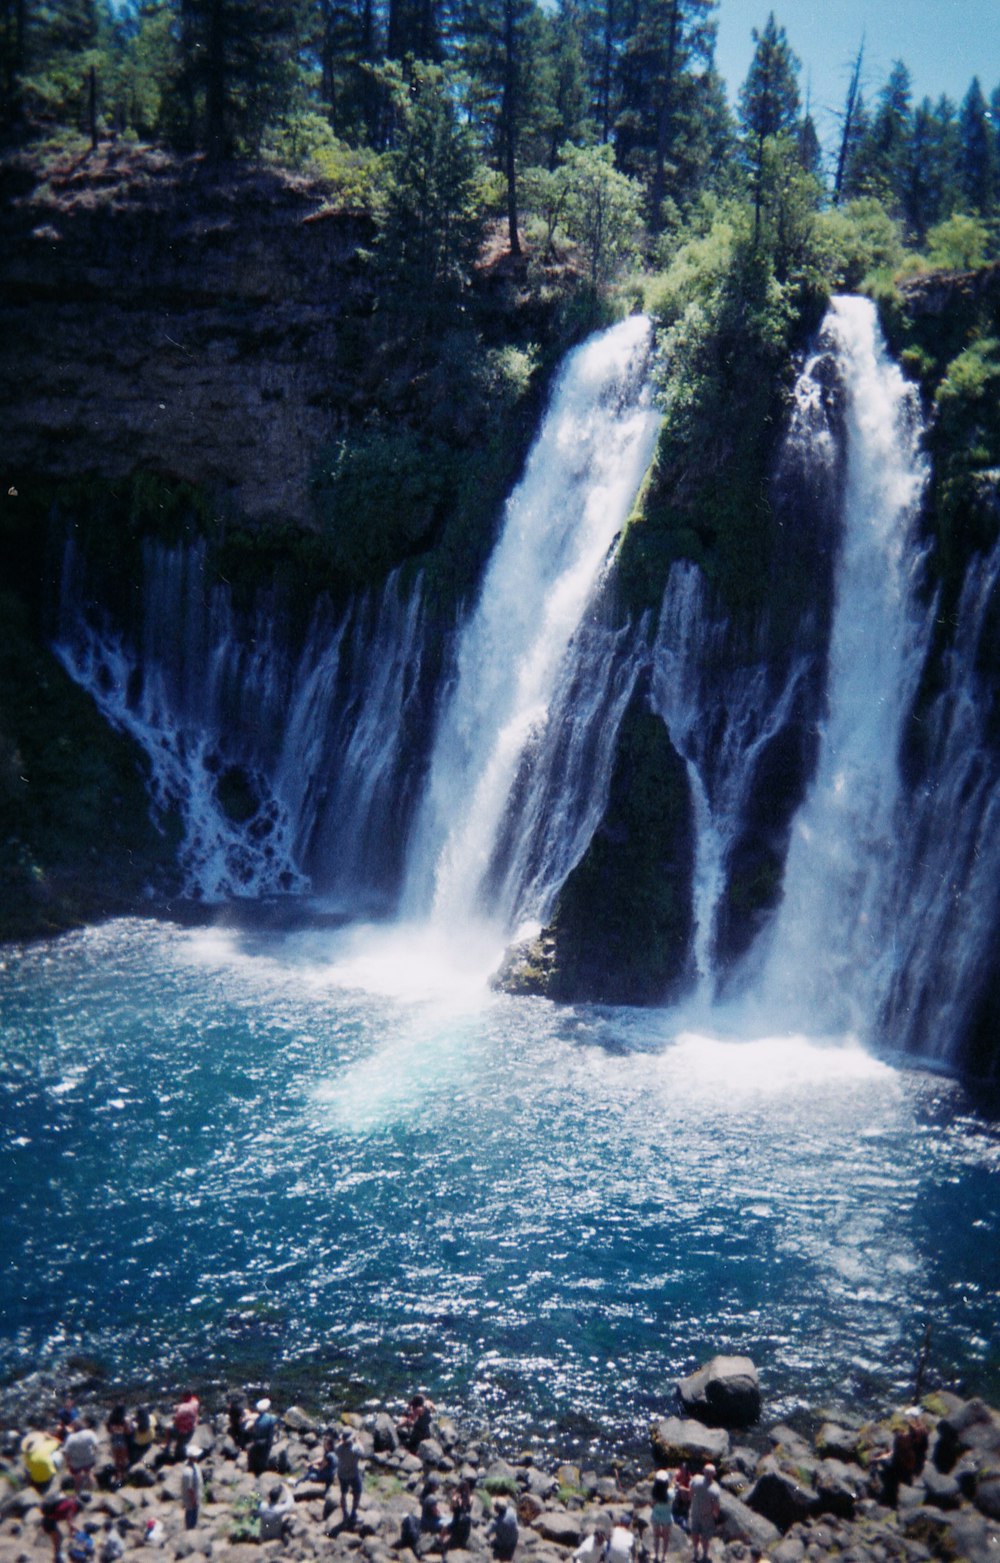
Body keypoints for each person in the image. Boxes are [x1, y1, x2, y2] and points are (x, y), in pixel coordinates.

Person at [877, 1407, 930, 1507]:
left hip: (902, 1469)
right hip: (911, 1466)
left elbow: (898, 1458)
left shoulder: (902, 1439)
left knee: (879, 1464)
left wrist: (886, 1457)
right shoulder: (922, 1434)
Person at [688, 1465, 721, 1563]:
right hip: (706, 1516)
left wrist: (693, 1500)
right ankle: (705, 1554)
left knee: (695, 1532)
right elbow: (715, 1507)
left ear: (703, 1471)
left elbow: (690, 1492)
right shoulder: (714, 1490)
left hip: (695, 1511)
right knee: (705, 1536)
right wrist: (716, 1516)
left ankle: (695, 1550)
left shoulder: (696, 1479)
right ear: (714, 1474)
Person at [40, 1491, 80, 1563]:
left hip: (48, 1517)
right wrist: (71, 1527)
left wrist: (71, 1527)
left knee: (59, 1537)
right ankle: (57, 1557)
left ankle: (57, 1555)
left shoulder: (68, 1501)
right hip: (50, 1521)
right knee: (59, 1538)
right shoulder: (71, 1508)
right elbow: (68, 1518)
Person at [336, 1427, 364, 1526]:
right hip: (353, 1474)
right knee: (357, 1493)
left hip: (342, 1474)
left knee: (343, 1493)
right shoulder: (355, 1449)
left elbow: (340, 1444)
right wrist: (357, 1440)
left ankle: (344, 1513)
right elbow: (362, 1451)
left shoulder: (338, 1449)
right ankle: (353, 1513)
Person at [63, 1423, 100, 1494]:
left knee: (77, 1479)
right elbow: (96, 1446)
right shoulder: (89, 1433)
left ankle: (78, 1495)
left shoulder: (70, 1438)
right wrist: (94, 1455)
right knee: (89, 1474)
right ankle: (93, 1492)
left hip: (76, 1462)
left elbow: (66, 1453)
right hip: (89, 1459)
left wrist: (67, 1464)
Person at [247, 1398, 277, 1477]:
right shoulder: (271, 1418)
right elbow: (271, 1433)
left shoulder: (257, 1420)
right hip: (266, 1443)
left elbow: (255, 1433)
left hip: (258, 1442)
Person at [166, 1393, 199, 1462]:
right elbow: (187, 1407)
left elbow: (176, 1422)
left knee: (168, 1428)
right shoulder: (195, 1402)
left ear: (183, 1397)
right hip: (192, 1428)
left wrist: (174, 1418)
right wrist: (178, 1406)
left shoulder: (181, 1410)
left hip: (183, 1432)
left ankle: (167, 1448)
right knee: (182, 1445)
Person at [444, 1480, 474, 1554]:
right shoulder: (470, 1498)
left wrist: (455, 1499)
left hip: (457, 1521)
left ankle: (441, 1542)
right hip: (466, 1522)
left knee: (446, 1527)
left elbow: (451, 1509)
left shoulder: (456, 1498)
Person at [106, 1406, 133, 1488]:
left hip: (114, 1441)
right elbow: (128, 1432)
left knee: (117, 1461)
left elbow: (109, 1431)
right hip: (123, 1441)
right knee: (124, 1460)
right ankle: (124, 1477)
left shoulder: (110, 1421)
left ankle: (118, 1477)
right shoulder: (124, 1421)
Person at [650, 1471, 673, 1562]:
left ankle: (656, 1555)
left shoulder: (654, 1492)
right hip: (667, 1517)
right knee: (666, 1537)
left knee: (656, 1536)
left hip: (656, 1516)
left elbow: (653, 1504)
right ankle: (664, 1556)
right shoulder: (671, 1493)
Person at [487, 1498, 518, 1562]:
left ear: (497, 1508)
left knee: (491, 1541)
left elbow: (486, 1532)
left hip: (504, 1543)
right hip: (514, 1540)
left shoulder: (495, 1522)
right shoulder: (512, 1511)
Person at [181, 1451, 203, 1530]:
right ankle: (190, 1530)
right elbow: (189, 1489)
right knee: (191, 1515)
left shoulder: (195, 1466)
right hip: (191, 1499)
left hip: (196, 1495)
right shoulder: (187, 1471)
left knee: (195, 1514)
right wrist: (193, 1501)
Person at [671, 1462, 692, 1531]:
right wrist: (678, 1485)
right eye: (681, 1469)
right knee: (679, 1492)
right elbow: (674, 1482)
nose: (682, 1471)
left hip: (686, 1494)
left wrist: (683, 1488)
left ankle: (684, 1509)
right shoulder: (678, 1474)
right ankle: (677, 1508)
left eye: (684, 1469)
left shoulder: (689, 1477)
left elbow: (690, 1489)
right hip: (680, 1492)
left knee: (684, 1493)